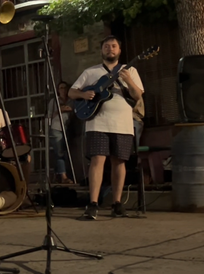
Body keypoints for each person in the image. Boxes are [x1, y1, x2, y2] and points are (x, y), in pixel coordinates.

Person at [69, 36, 144, 219]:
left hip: (123, 123)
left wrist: (129, 81)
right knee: (97, 160)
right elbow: (72, 91)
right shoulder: (91, 71)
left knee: (119, 161)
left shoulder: (130, 70)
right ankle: (93, 203)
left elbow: (138, 95)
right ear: (102, 50)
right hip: (97, 122)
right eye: (106, 46)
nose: (110, 49)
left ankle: (117, 204)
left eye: (114, 46)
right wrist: (84, 94)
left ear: (119, 50)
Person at [48, 81, 74, 184]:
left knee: (66, 153)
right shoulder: (54, 101)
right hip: (56, 128)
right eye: (61, 88)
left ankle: (58, 175)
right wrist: (60, 110)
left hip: (68, 129)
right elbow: (49, 116)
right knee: (59, 152)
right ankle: (63, 177)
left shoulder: (72, 101)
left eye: (64, 88)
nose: (63, 90)